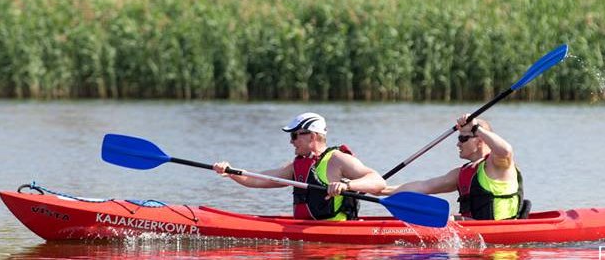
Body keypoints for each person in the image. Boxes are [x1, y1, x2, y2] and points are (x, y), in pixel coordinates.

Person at [212, 112, 385, 221]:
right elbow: (257, 181)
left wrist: (347, 185)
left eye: (295, 136)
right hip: (303, 227)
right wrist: (230, 171)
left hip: (336, 237)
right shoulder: (296, 166)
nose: (291, 141)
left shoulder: (338, 159)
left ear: (312, 136)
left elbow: (377, 181)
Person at [380, 114, 526, 221]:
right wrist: (380, 190)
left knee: (450, 220)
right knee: (450, 219)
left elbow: (506, 150)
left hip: (498, 236)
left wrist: (476, 128)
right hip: (475, 232)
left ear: (479, 141)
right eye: (458, 138)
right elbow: (424, 186)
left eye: (463, 138)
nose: (458, 144)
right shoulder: (461, 173)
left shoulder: (499, 165)